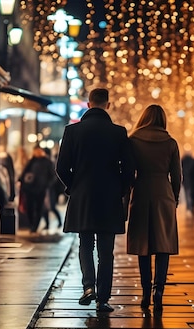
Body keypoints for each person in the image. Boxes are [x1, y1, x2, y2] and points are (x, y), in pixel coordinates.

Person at [55, 88, 135, 313]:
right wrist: (119, 189)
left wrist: (73, 186)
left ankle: (88, 285)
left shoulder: (72, 131)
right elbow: (129, 169)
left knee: (85, 244)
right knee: (106, 250)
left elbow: (61, 167)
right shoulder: (119, 132)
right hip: (109, 197)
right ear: (108, 105)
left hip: (83, 196)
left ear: (88, 105)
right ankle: (103, 299)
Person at [126, 104, 181, 314]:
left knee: (143, 247)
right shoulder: (170, 143)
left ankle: (146, 292)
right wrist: (173, 198)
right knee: (162, 246)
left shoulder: (133, 141)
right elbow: (176, 176)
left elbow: (129, 172)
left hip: (141, 193)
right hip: (163, 195)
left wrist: (131, 189)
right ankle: (160, 291)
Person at [18, 146, 56, 233]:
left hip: (41, 189)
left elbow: (53, 176)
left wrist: (47, 185)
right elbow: (24, 172)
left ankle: (34, 227)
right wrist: (21, 181)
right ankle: (32, 224)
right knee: (29, 207)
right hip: (29, 188)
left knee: (39, 208)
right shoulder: (32, 161)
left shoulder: (47, 162)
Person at [42, 148, 63, 230]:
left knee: (51, 207)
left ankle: (59, 222)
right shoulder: (45, 162)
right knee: (44, 208)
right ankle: (47, 224)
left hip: (50, 189)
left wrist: (49, 184)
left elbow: (54, 176)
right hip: (45, 188)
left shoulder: (50, 163)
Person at [181, 151, 194, 216]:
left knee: (187, 194)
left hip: (186, 180)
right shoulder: (193, 161)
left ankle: (188, 207)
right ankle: (191, 206)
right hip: (192, 181)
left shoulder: (183, 162)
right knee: (191, 195)